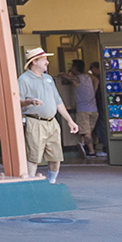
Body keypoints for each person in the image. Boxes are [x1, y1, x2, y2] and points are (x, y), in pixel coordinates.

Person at [18, 47, 80, 183]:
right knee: (33, 157)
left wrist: (70, 121)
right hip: (35, 122)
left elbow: (58, 101)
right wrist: (29, 101)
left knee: (56, 156)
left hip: (52, 122)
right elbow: (17, 101)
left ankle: (52, 182)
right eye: (44, 59)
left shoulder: (48, 78)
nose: (47, 62)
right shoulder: (24, 79)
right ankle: (31, 185)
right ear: (34, 62)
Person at [69, 60, 99, 158]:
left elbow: (64, 76)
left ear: (74, 68)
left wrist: (65, 73)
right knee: (86, 131)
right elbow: (97, 81)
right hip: (94, 109)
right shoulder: (90, 77)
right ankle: (82, 145)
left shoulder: (75, 79)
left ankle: (92, 152)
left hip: (83, 109)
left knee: (86, 132)